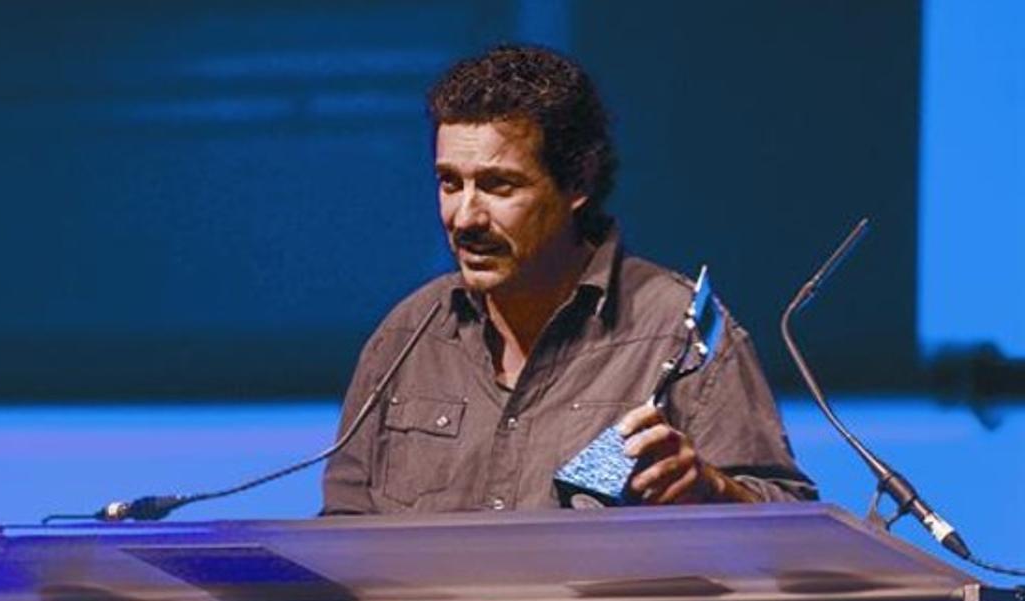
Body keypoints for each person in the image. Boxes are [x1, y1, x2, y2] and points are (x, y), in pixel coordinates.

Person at [322, 45, 815, 515]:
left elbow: (792, 530)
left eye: (498, 185)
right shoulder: (407, 337)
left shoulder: (679, 331)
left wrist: (711, 491)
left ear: (577, 182)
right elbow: (343, 537)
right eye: (450, 182)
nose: (464, 216)